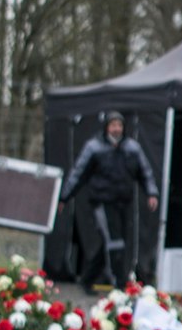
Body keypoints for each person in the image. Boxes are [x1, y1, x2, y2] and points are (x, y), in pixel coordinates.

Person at [60, 112, 160, 293]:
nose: (116, 129)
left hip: (123, 202)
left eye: (119, 125)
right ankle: (120, 284)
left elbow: (145, 172)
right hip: (102, 202)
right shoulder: (94, 147)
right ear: (106, 127)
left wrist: (151, 193)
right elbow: (78, 174)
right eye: (113, 125)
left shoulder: (132, 148)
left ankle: (88, 278)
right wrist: (64, 197)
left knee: (111, 242)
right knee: (114, 241)